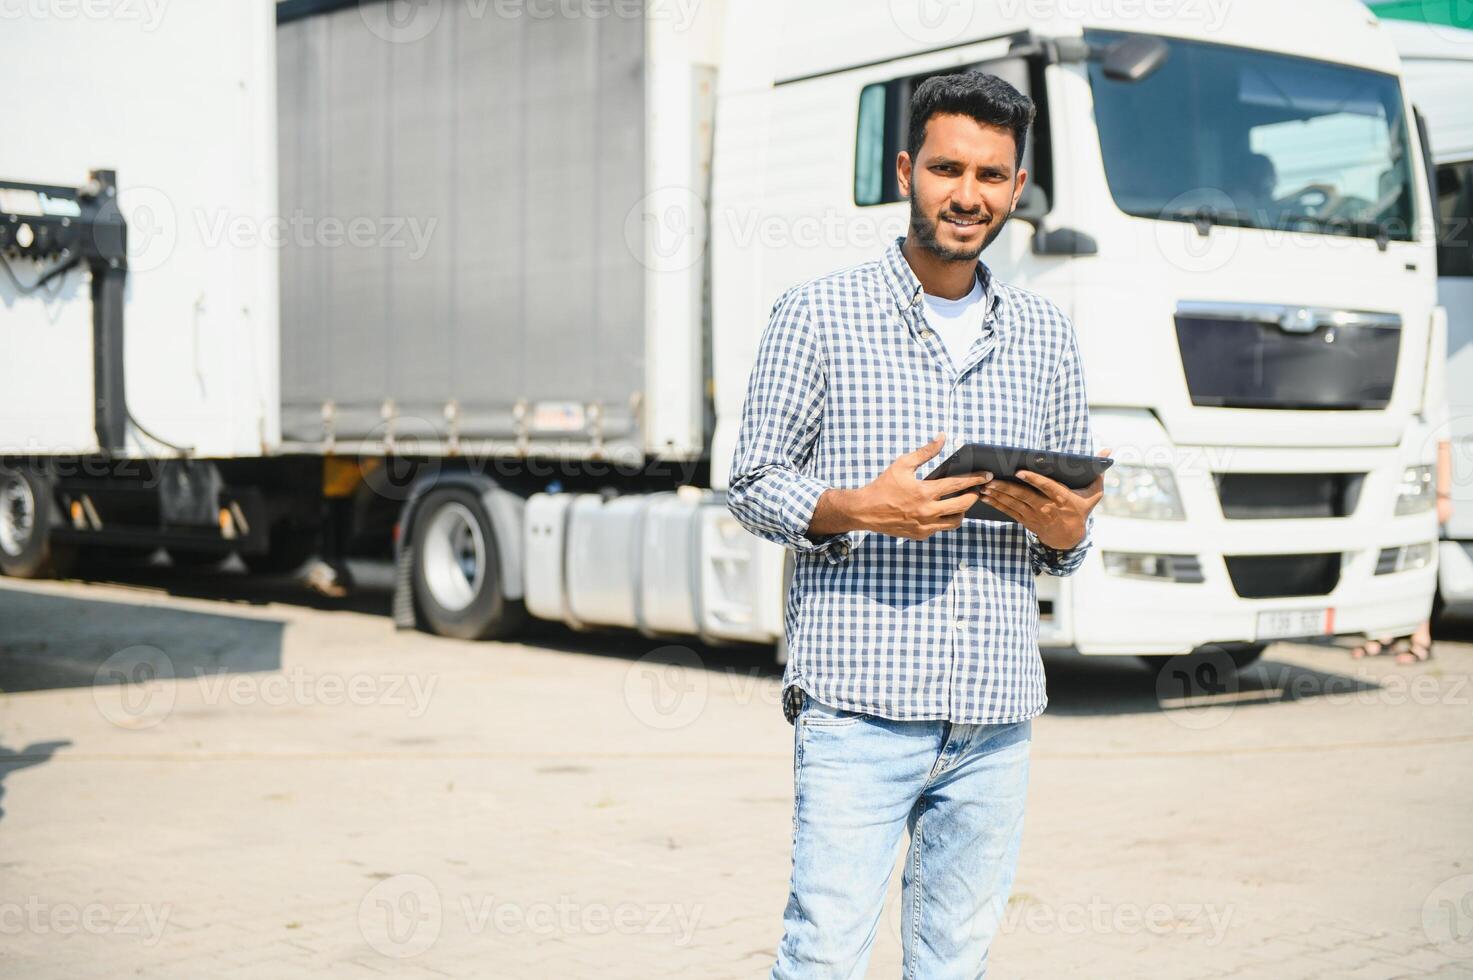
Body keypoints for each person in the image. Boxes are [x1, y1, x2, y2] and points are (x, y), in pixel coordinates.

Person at [726, 71, 1107, 978]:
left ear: (1017, 189)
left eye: (990, 175)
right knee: (822, 957)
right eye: (946, 168)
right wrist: (857, 508)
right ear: (906, 170)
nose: (966, 195)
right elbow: (748, 482)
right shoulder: (815, 313)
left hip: (995, 716)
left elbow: (1072, 539)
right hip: (858, 710)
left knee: (955, 964)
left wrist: (1061, 531)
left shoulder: (1046, 336)